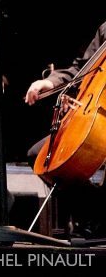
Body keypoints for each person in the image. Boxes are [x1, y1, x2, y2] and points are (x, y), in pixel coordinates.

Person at [22, 20, 106, 237]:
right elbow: (81, 69)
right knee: (40, 156)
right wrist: (50, 83)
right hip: (95, 112)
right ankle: (96, 213)